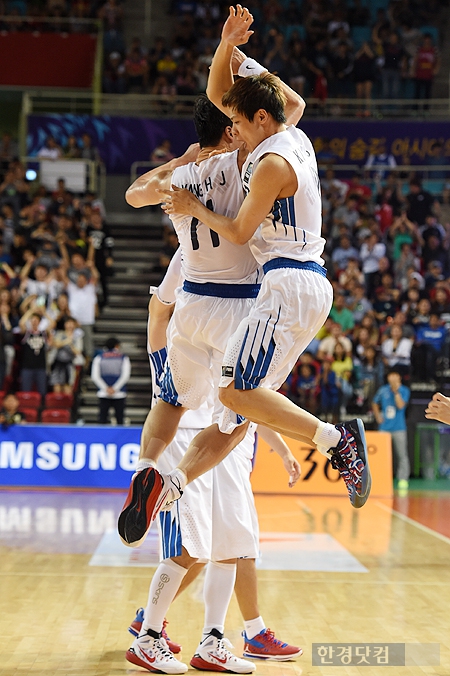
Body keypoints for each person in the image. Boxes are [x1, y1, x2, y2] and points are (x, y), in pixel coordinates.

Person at [119, 6, 371, 552]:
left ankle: (330, 440)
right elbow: (270, 102)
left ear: (256, 119)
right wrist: (230, 51)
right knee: (237, 409)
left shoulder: (253, 163)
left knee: (197, 400)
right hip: (264, 291)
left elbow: (160, 204)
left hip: (237, 294)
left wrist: (180, 186)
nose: (230, 119)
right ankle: (176, 484)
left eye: (239, 114)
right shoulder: (280, 139)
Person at [126, 255, 301, 673]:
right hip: (184, 450)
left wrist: (279, 448)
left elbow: (249, 403)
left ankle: (213, 641)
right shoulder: (170, 353)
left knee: (231, 545)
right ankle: (148, 635)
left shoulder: (228, 346)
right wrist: (186, 259)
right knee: (190, 548)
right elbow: (158, 311)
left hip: (222, 448)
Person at [372, 369, 410, 492]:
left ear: (399, 377)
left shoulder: (404, 390)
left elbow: (400, 405)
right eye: (390, 375)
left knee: (402, 454)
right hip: (384, 428)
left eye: (395, 375)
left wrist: (395, 391)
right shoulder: (383, 390)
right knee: (380, 455)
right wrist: (378, 416)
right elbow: (374, 402)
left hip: (399, 428)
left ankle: (403, 478)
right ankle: (380, 477)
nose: (392, 378)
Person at [91, 337, 130, 425]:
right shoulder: (123, 358)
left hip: (104, 393)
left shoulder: (99, 357)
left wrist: (105, 388)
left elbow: (95, 376)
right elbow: (125, 376)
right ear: (117, 346)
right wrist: (115, 388)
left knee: (102, 419)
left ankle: (101, 438)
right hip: (119, 393)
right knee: (120, 419)